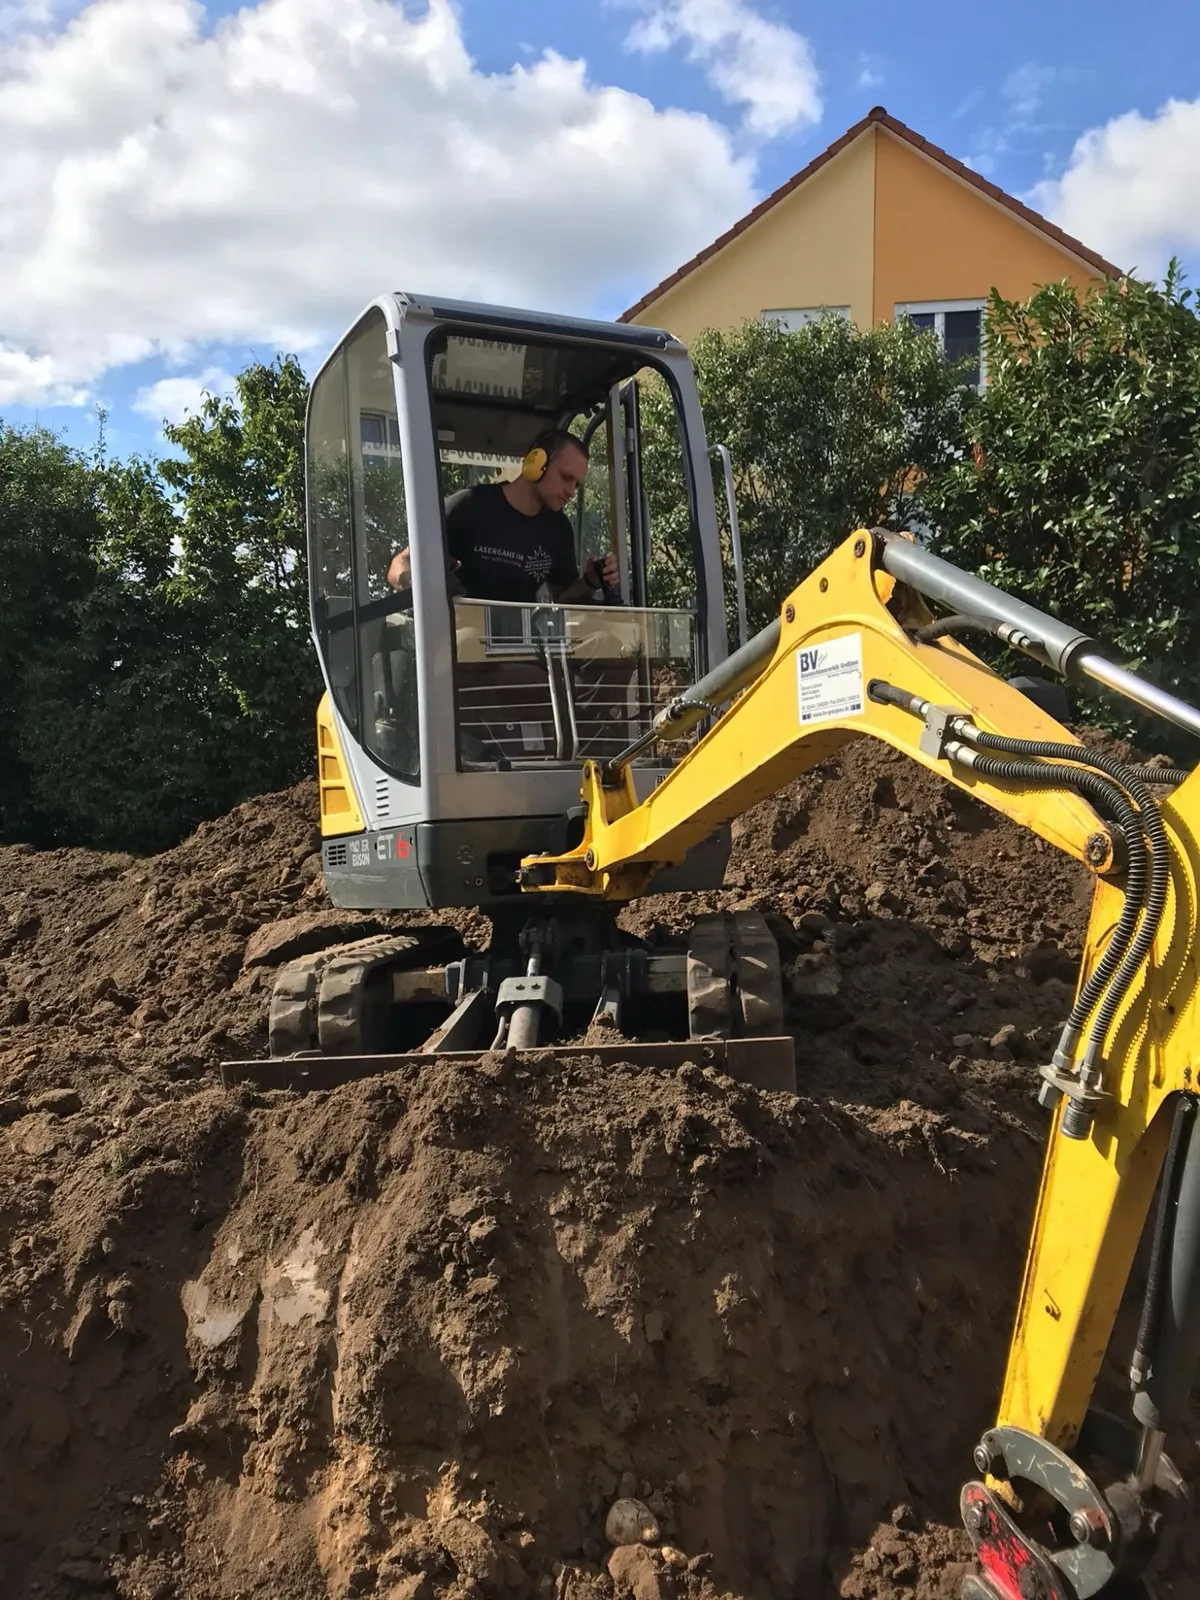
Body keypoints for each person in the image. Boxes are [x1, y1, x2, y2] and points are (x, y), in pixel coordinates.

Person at [386, 429, 619, 602]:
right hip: (459, 646)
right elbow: (401, 563)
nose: (571, 491)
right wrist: (422, 588)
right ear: (535, 462)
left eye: (577, 485)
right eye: (566, 477)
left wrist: (590, 581)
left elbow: (562, 599)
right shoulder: (469, 505)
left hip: (522, 649)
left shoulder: (558, 529)